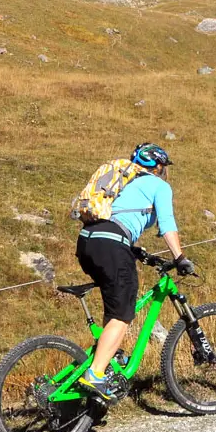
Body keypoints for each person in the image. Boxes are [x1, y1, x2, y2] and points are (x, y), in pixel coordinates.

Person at [77, 142, 194, 400]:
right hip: (111, 245)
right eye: (164, 167)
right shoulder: (158, 186)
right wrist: (180, 257)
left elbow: (120, 219)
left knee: (115, 305)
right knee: (123, 314)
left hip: (87, 242)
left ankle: (106, 360)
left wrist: (135, 249)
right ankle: (95, 374)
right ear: (159, 166)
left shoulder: (125, 183)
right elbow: (166, 223)